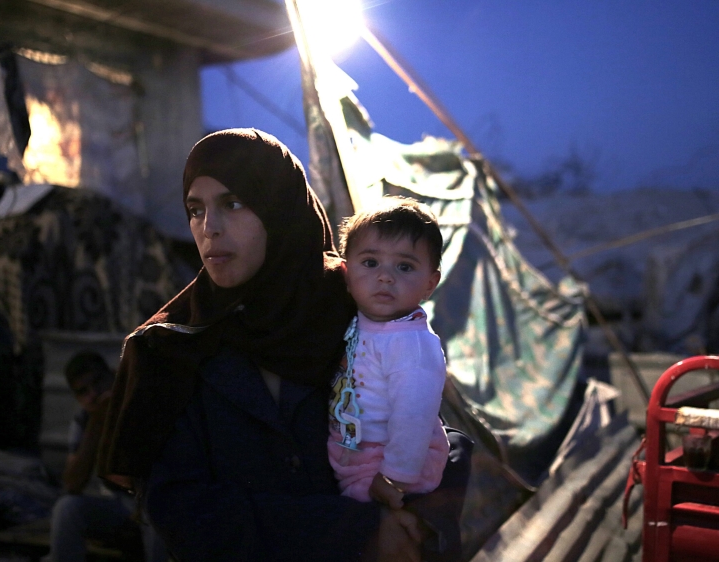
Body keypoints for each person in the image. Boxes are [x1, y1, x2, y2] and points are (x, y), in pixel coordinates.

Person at [97, 129, 472, 562]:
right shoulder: (169, 348)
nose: (209, 229)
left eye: (233, 203)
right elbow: (181, 509)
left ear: (279, 208)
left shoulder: (348, 302)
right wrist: (360, 533)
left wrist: (418, 519)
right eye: (195, 210)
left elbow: (434, 430)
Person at [328, 197, 449, 507]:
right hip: (357, 454)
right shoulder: (359, 319)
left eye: (404, 266)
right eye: (370, 263)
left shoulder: (412, 344)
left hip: (392, 468)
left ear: (430, 284)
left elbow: (414, 417)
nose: (385, 276)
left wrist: (393, 478)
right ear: (346, 270)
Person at [48, 350, 166, 562]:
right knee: (67, 509)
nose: (94, 394)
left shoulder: (142, 402)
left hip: (157, 501)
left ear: (113, 376)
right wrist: (97, 424)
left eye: (99, 382)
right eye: (84, 392)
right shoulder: (84, 420)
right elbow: (72, 484)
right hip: (120, 506)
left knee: (155, 511)